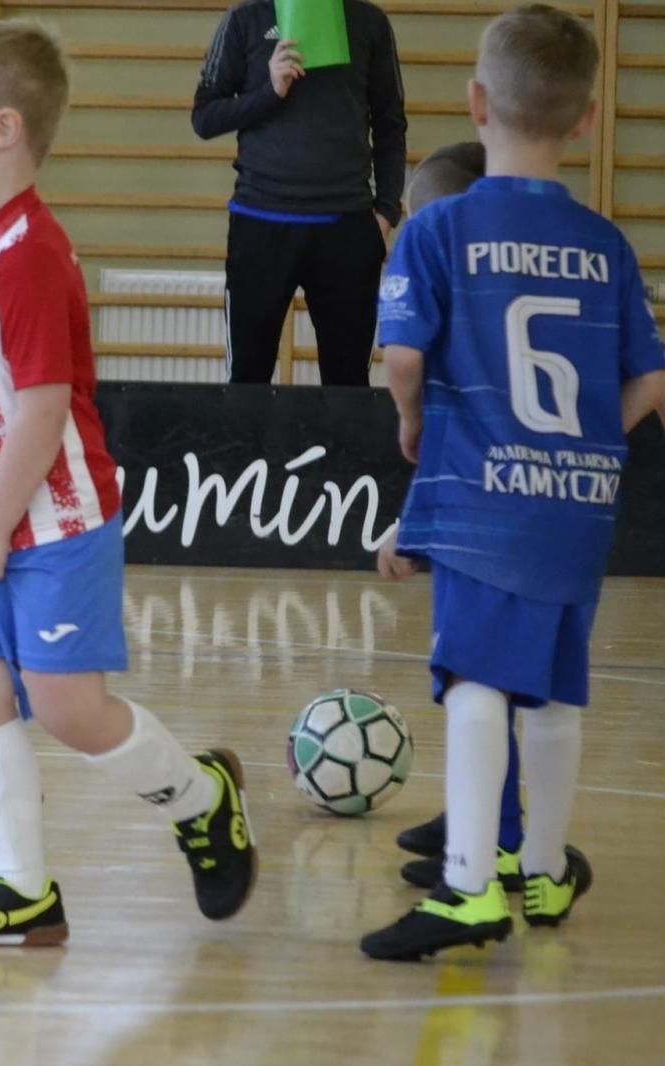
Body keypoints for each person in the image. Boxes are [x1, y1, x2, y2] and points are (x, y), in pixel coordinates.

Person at [0, 20, 259, 947]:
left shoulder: (30, 254)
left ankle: (200, 798)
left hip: (51, 524)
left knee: (68, 709)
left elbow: (42, 411)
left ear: (4, 129)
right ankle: (20, 890)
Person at [361, 4, 665, 961]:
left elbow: (402, 359)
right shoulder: (607, 246)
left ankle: (468, 890)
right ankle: (541, 870)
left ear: (476, 102)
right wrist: (587, 441)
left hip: (482, 497)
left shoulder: (438, 229)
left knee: (476, 683)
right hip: (577, 500)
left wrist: (413, 425)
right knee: (556, 691)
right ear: (584, 120)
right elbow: (650, 377)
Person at [192, 0, 407, 385]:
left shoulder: (370, 22)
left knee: (348, 387)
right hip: (260, 223)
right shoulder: (245, 18)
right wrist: (270, 92)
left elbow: (390, 124)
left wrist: (386, 214)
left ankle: (343, 449)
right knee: (247, 381)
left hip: (347, 226)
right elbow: (204, 118)